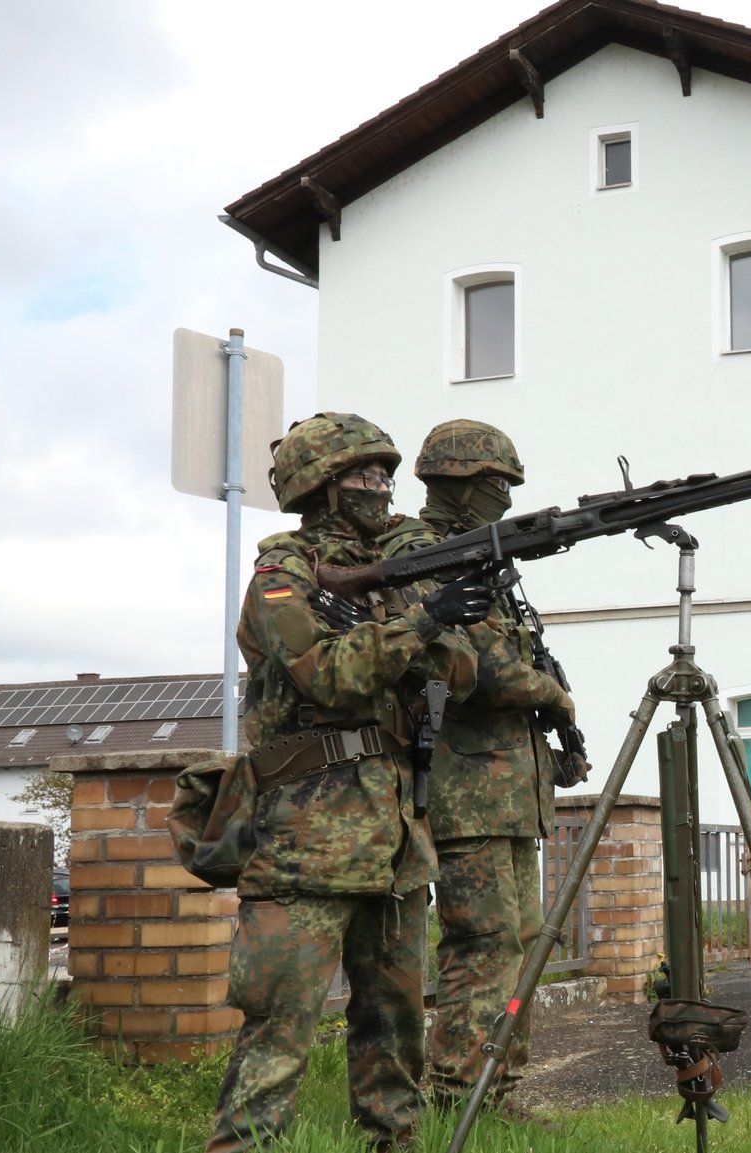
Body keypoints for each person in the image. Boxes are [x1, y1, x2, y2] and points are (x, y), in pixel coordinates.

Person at [208, 412, 492, 1153]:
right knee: (279, 1033)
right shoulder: (282, 577)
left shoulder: (396, 578)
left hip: (395, 845)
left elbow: (462, 674)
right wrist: (419, 624)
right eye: (362, 476)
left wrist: (435, 617)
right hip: (304, 846)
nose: (379, 489)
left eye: (383, 477)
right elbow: (326, 674)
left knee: (395, 1035)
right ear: (320, 486)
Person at [379, 418, 578, 1111]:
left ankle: (498, 1088)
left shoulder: (481, 555)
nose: (503, 494)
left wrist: (555, 733)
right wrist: (556, 695)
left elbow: (513, 658)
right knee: (484, 940)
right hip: (465, 789)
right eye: (494, 483)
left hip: (510, 790)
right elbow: (487, 670)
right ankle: (459, 1091)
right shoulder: (422, 551)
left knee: (522, 941)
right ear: (457, 482)